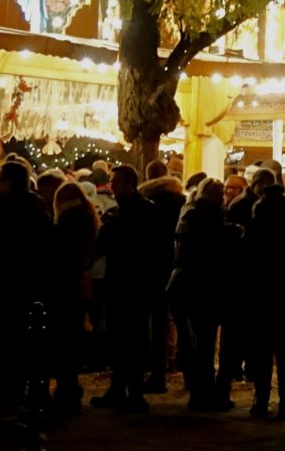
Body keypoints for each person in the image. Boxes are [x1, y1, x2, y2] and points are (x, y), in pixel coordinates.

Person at [0, 159, 53, 416]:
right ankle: (14, 391)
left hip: (0, 279)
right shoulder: (36, 205)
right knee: (18, 335)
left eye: (0, 180)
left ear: (10, 183)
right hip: (25, 280)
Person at [90, 164, 166, 413]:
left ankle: (127, 389)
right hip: (136, 283)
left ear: (129, 183)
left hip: (127, 283)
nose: (112, 186)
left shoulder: (125, 214)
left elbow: (106, 245)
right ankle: (126, 389)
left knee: (126, 338)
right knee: (130, 338)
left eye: (116, 181)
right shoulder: (145, 211)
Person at [243, 168, 285, 419]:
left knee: (262, 348)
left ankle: (261, 398)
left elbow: (246, 261)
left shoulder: (256, 230)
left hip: (261, 292)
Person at [169, 174, 236, 409]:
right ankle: (202, 394)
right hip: (201, 286)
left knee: (202, 342)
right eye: (219, 193)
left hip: (195, 285)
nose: (223, 197)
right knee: (204, 342)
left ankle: (201, 391)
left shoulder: (194, 212)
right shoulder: (203, 215)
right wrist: (229, 234)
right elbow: (206, 249)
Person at [49, 180, 98, 419]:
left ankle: (67, 391)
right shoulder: (87, 217)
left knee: (63, 340)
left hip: (65, 286)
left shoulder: (68, 222)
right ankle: (70, 389)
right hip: (79, 285)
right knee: (72, 336)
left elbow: (60, 254)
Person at [138, 168, 184, 392]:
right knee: (177, 323)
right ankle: (179, 366)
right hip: (176, 269)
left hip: (152, 270)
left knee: (156, 323)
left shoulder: (150, 209)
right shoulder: (183, 207)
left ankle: (157, 372)